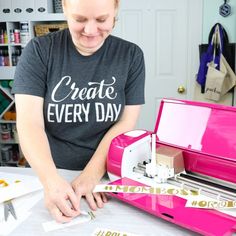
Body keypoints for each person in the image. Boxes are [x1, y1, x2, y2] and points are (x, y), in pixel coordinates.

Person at [12, 0, 145, 223]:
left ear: (115, 11)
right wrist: (51, 181)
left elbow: (125, 122)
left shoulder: (130, 55)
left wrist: (92, 174)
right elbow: (29, 123)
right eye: (80, 19)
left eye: (102, 20)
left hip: (106, 174)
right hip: (51, 173)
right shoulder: (39, 51)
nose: (90, 31)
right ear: (64, 9)